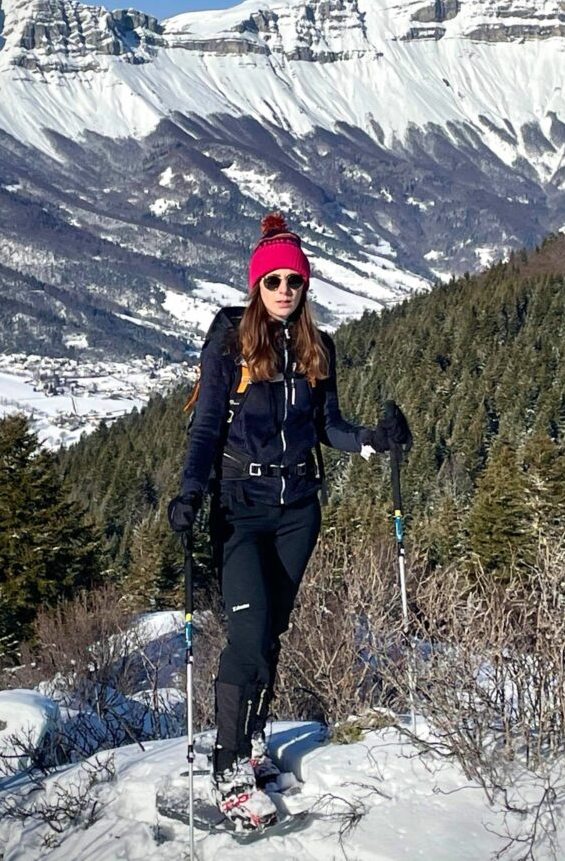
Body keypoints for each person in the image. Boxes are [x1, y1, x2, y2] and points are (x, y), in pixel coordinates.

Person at [167, 212, 412, 830]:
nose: (283, 289)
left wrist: (372, 441)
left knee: (271, 632)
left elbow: (326, 426)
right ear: (256, 286)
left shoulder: (316, 348)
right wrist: (191, 492)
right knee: (247, 638)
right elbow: (205, 429)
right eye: (272, 280)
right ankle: (226, 765)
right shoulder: (230, 344)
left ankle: (252, 743)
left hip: (300, 509)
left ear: (305, 287)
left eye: (293, 281)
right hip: (239, 509)